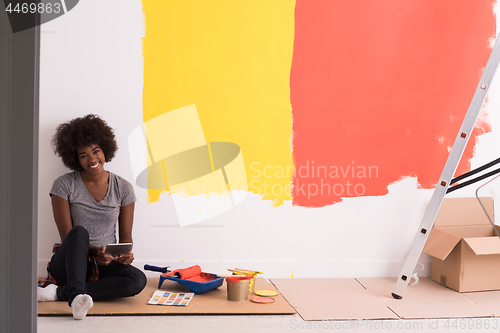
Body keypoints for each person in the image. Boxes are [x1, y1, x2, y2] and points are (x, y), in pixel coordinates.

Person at [37, 114, 147, 320]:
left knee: (137, 279)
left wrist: (124, 255)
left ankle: (63, 293)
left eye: (95, 151)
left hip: (105, 262)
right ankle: (77, 292)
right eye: (83, 155)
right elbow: (68, 238)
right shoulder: (63, 185)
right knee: (79, 232)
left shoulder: (123, 188)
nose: (92, 159)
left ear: (105, 149)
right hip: (71, 262)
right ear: (75, 159)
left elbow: (125, 236)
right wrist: (97, 251)